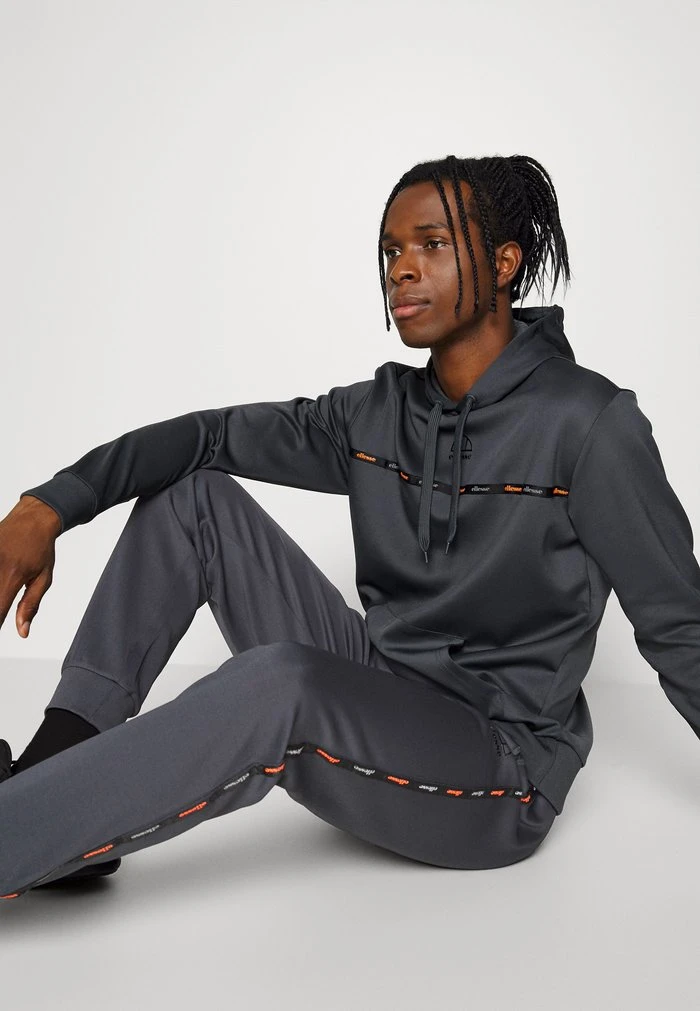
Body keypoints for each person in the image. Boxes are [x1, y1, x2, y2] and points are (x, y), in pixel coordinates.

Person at [1, 153, 698, 901]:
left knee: (280, 684)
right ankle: (48, 779)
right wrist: (49, 506)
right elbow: (209, 436)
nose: (403, 269)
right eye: (392, 250)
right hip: (379, 691)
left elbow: (678, 625)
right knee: (192, 499)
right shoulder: (377, 413)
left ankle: (18, 832)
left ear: (504, 264)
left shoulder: (589, 424)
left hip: (496, 768)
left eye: (432, 244)